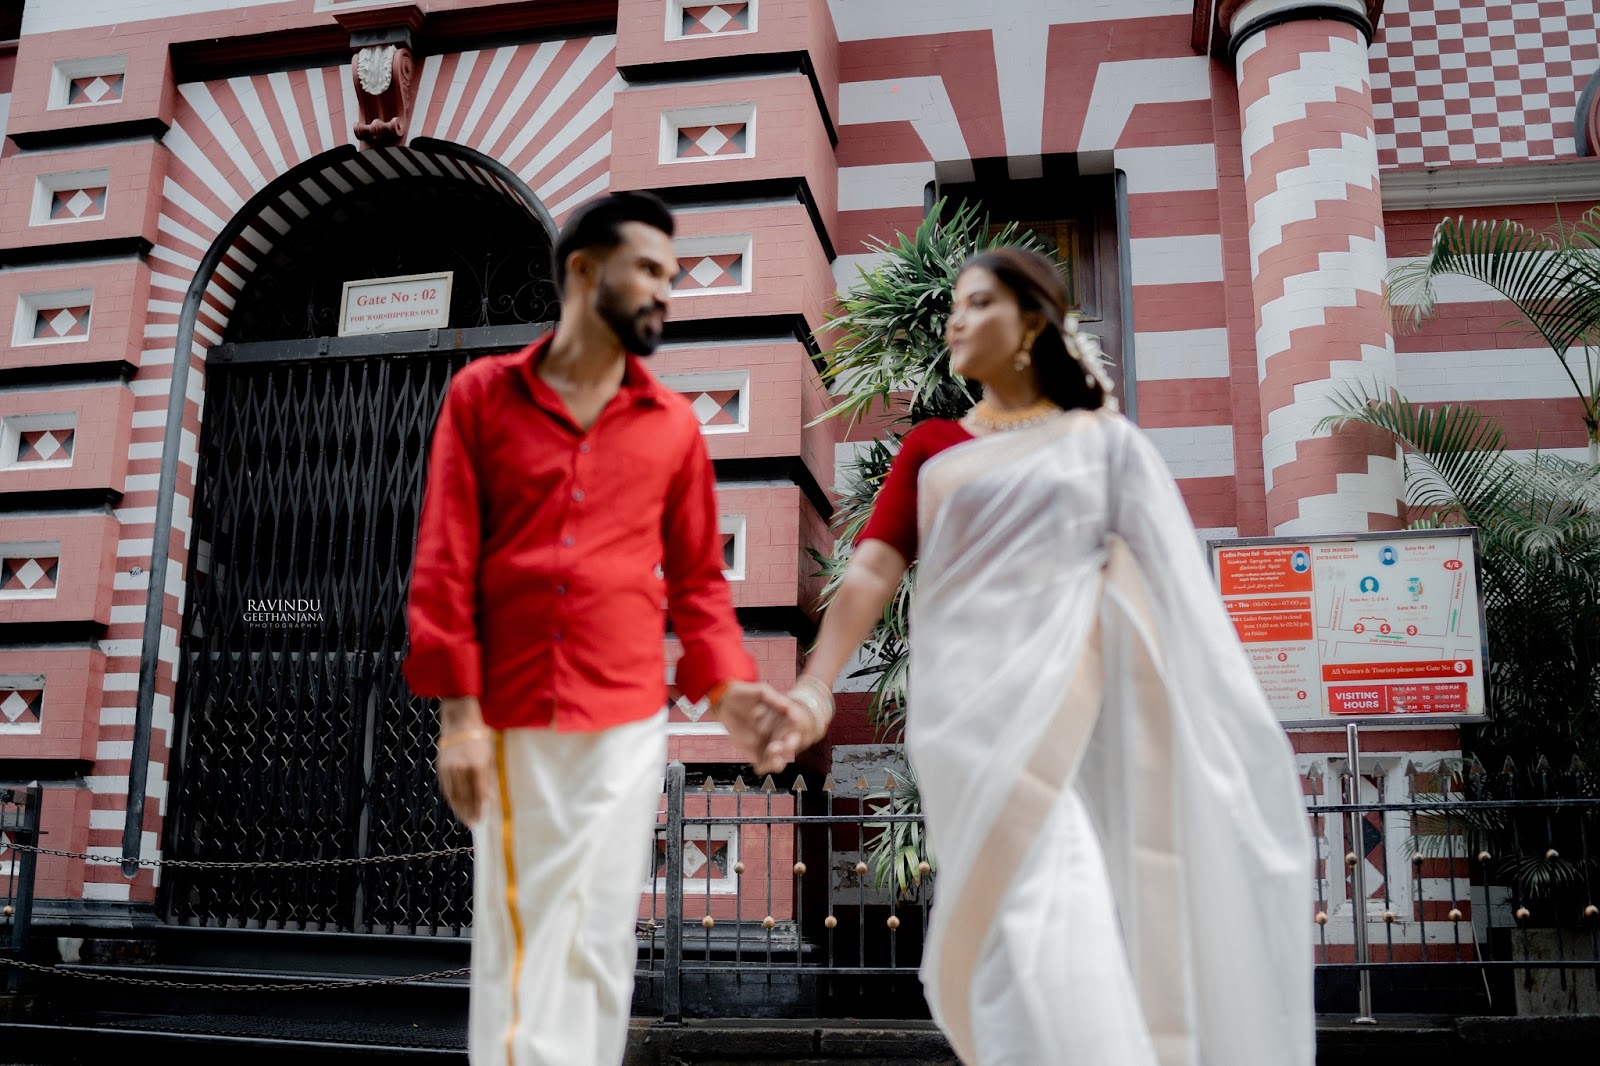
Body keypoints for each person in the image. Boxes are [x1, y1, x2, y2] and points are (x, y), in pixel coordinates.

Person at [764, 248, 1314, 1066]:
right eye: (954, 304)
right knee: (1010, 929)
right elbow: (874, 570)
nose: (955, 318)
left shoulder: (1101, 446)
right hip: (962, 718)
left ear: (1031, 325)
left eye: (978, 302)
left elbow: (1165, 590)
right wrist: (813, 685)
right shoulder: (932, 448)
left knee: (1058, 903)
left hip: (1077, 710)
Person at [404, 191, 797, 1066]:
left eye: (672, 273)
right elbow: (444, 565)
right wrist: (458, 717)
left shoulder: (674, 427)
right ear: (585, 270)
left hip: (626, 717)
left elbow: (698, 586)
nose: (668, 290)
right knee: (526, 933)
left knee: (599, 939)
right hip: (511, 713)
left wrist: (731, 693)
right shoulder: (483, 396)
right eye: (650, 270)